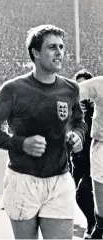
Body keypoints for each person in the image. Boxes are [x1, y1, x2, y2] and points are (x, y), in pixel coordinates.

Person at [0, 24, 86, 239]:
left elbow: (79, 121)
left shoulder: (70, 89)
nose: (59, 52)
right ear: (36, 53)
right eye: (52, 47)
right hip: (23, 181)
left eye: (61, 47)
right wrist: (21, 143)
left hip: (59, 179)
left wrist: (78, 135)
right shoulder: (13, 89)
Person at [78, 75, 103, 239]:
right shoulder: (99, 84)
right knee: (96, 194)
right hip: (101, 143)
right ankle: (99, 226)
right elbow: (70, 92)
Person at [72, 69, 95, 239]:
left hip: (93, 160)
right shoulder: (72, 108)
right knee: (74, 194)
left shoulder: (98, 108)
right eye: (79, 85)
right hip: (76, 161)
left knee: (83, 193)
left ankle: (94, 224)